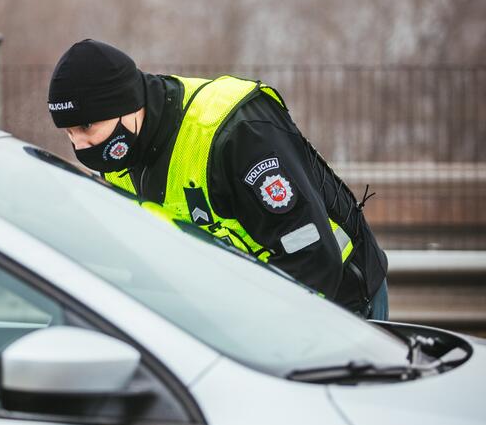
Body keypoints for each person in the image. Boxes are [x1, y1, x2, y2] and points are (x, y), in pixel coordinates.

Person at [47, 39, 388, 319]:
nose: (80, 145)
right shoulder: (121, 148)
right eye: (69, 132)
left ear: (129, 104)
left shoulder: (234, 132)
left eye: (87, 128)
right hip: (243, 304)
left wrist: (246, 336)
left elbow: (310, 256)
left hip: (340, 301)